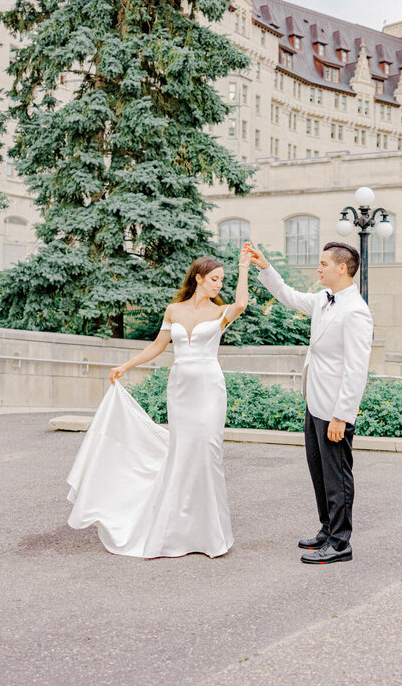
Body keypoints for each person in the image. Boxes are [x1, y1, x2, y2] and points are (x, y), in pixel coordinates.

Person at [65, 250, 252, 558]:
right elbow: (158, 345)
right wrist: (126, 366)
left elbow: (242, 303)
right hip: (180, 388)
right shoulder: (174, 310)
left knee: (208, 450)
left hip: (209, 387)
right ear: (198, 278)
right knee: (181, 452)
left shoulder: (221, 312)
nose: (220, 285)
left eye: (222, 280)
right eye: (215, 279)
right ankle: (173, 529)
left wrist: (244, 267)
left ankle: (210, 535)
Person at [244, 240, 373, 565]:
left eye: (323, 264)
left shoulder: (356, 311)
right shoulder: (321, 300)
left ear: (341, 268)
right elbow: (287, 295)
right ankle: (327, 529)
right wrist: (264, 266)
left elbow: (356, 371)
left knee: (337, 475)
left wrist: (342, 416)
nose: (318, 269)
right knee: (319, 472)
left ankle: (341, 543)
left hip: (334, 410)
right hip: (314, 402)